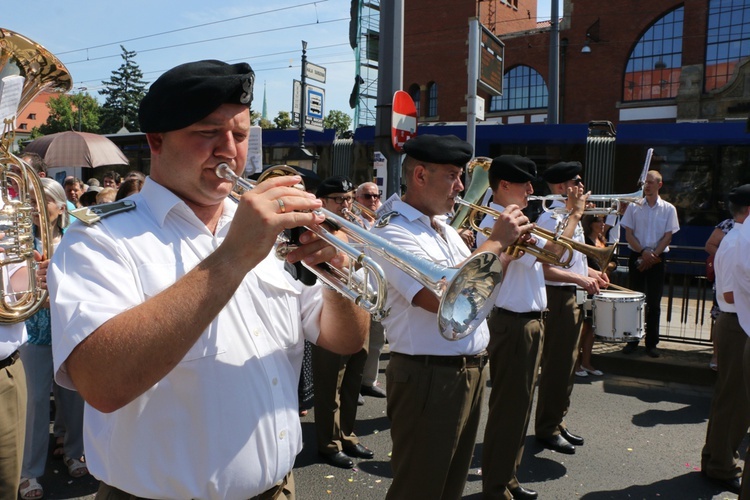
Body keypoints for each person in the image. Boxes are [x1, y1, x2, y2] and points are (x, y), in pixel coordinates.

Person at [48, 59, 369, 499]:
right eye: (207, 132)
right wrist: (233, 257)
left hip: (278, 489)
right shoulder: (99, 237)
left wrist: (336, 273)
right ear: (156, 140)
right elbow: (102, 384)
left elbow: (345, 339)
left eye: (239, 135)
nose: (228, 151)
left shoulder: (266, 228)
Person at [370, 134, 532, 499]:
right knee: (420, 488)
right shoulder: (390, 229)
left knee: (450, 487)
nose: (461, 187)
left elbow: (477, 289)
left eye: (461, 177)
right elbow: (442, 298)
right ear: (421, 176)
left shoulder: (443, 228)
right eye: (452, 176)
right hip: (428, 376)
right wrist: (496, 243)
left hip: (467, 370)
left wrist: (507, 253)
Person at [477, 155, 586, 500]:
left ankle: (507, 480)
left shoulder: (518, 219)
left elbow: (555, 258)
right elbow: (555, 251)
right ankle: (497, 488)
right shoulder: (500, 221)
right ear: (504, 186)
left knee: (519, 409)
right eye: (524, 183)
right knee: (509, 410)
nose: (531, 189)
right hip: (512, 323)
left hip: (528, 321)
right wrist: (574, 215)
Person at [19, 178, 88, 500]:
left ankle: (75, 451)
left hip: (67, 328)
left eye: (43, 200)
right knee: (33, 404)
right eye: (32, 200)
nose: (35, 207)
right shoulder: (20, 240)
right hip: (33, 331)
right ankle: (29, 472)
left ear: (61, 206)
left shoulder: (77, 234)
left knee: (73, 397)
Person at [534, 161, 609, 456]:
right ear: (564, 188)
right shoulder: (552, 219)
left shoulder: (568, 218)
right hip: (558, 298)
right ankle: (547, 427)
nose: (583, 188)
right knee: (557, 366)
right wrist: (580, 278)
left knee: (567, 364)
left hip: (571, 295)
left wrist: (592, 274)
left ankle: (557, 420)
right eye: (578, 182)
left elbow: (573, 262)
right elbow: (544, 268)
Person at [312, 175, 373, 469]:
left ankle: (347, 434)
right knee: (330, 386)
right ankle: (328, 442)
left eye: (348, 198)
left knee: (353, 381)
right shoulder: (316, 231)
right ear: (322, 201)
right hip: (331, 316)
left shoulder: (350, 227)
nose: (346, 204)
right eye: (339, 199)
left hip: (360, 309)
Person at [700, 185, 750, 496]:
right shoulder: (736, 242)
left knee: (732, 400)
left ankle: (716, 459)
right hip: (735, 324)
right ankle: (720, 465)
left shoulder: (737, 238)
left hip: (736, 322)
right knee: (733, 401)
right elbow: (731, 293)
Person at [621, 170, 680, 357]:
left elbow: (668, 236)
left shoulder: (669, 208)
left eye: (650, 182)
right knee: (634, 301)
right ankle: (631, 340)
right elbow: (628, 234)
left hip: (658, 259)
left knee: (654, 303)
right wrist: (643, 252)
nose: (646, 185)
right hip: (637, 255)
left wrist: (653, 254)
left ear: (659, 185)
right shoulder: (634, 206)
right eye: (645, 182)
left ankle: (651, 343)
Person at [354, 182, 388, 399]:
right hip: (359, 287)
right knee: (357, 340)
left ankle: (368, 381)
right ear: (358, 199)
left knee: (377, 339)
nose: (373, 200)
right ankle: (353, 383)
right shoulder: (351, 221)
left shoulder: (387, 220)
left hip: (380, 287)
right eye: (367, 196)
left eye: (377, 195)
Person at [574, 214, 612, 377]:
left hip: (597, 286)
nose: (603, 224)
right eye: (599, 221)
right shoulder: (585, 240)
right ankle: (575, 364)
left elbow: (612, 260)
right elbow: (582, 262)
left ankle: (586, 362)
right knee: (582, 328)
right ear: (591, 224)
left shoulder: (603, 240)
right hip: (585, 286)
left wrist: (608, 266)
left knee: (592, 328)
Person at [704, 217, 734, 370]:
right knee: (720, 316)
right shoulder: (728, 224)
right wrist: (727, 257)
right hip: (726, 279)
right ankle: (716, 355)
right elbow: (709, 245)